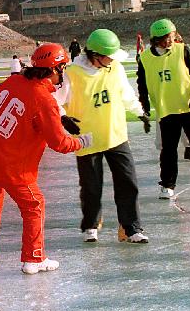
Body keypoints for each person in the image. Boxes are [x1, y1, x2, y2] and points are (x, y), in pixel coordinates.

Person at [0, 42, 92, 274]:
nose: (64, 74)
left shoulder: (16, 80)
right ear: (53, 69)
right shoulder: (44, 100)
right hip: (13, 167)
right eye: (63, 68)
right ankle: (34, 258)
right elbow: (59, 143)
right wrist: (82, 142)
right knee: (34, 206)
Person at [54, 29, 151, 244]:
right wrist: (63, 118)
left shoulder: (114, 68)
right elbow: (54, 102)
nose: (113, 60)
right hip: (87, 140)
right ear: (95, 55)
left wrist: (140, 113)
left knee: (128, 182)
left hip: (115, 135)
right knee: (91, 186)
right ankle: (91, 223)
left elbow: (125, 93)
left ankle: (130, 228)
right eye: (109, 56)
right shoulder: (72, 74)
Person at [136, 18, 190, 200]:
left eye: (172, 36)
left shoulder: (182, 50)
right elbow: (142, 82)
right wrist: (145, 104)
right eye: (167, 37)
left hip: (189, 107)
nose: (171, 40)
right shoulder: (145, 58)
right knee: (168, 151)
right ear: (157, 39)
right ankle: (167, 185)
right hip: (166, 110)